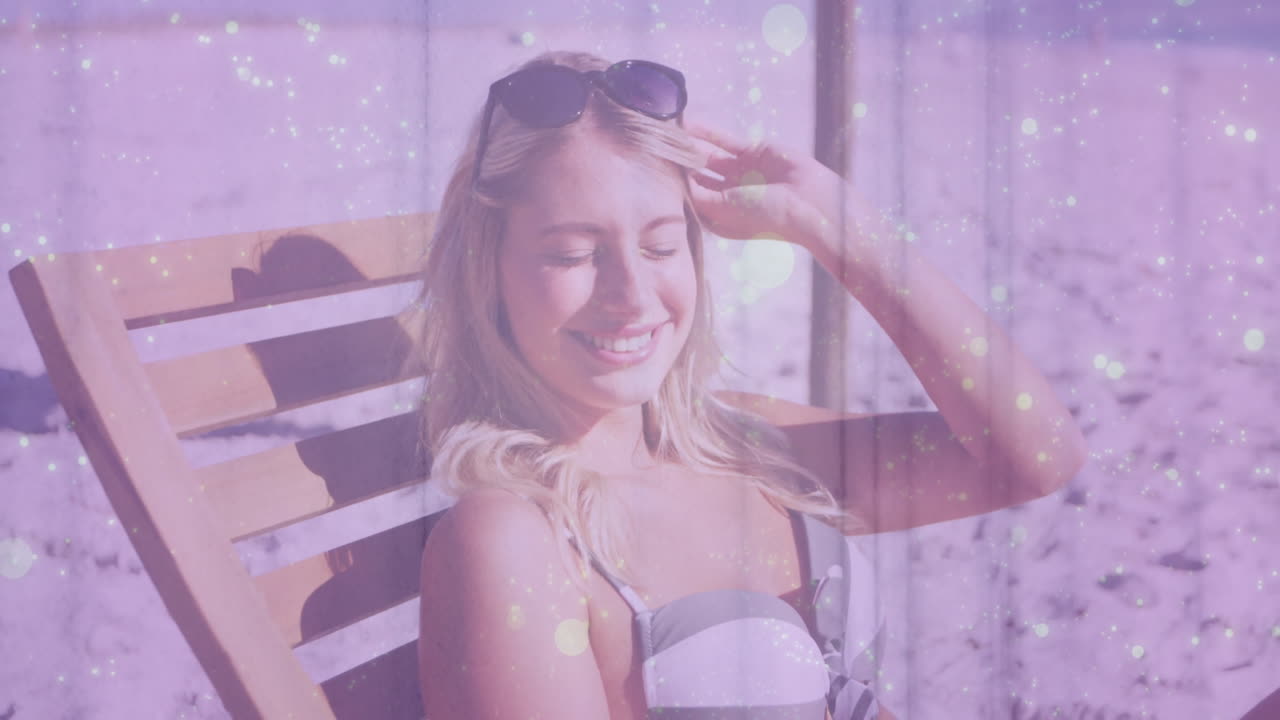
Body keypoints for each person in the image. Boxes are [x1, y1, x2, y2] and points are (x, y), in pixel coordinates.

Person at [414, 50, 1087, 720]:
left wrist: (840, 226)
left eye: (660, 246)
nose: (631, 294)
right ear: (488, 269)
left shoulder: (746, 448)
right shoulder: (517, 537)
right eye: (572, 253)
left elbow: (1035, 457)